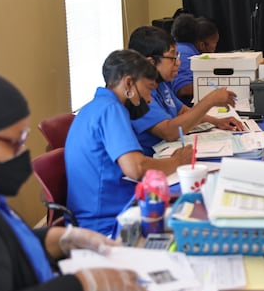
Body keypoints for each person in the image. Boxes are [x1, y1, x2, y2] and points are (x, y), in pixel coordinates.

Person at [0, 68, 149, 291]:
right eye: (10, 142)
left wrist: (59, 238)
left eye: (22, 139)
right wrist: (84, 285)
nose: (19, 152)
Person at [65, 50, 193, 236]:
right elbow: (136, 168)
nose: (149, 99)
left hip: (99, 211)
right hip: (105, 223)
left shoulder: (95, 106)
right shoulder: (111, 110)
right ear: (128, 83)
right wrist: (177, 162)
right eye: (148, 89)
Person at [128, 25, 244, 156]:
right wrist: (210, 101)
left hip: (167, 151)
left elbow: (182, 111)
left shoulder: (160, 83)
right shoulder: (137, 94)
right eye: (172, 58)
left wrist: (216, 121)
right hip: (153, 160)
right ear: (151, 63)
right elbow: (168, 132)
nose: (178, 63)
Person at [171, 14, 220, 103]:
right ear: (202, 45)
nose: (215, 49)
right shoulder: (186, 54)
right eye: (215, 43)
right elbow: (183, 88)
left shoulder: (182, 48)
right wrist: (218, 87)